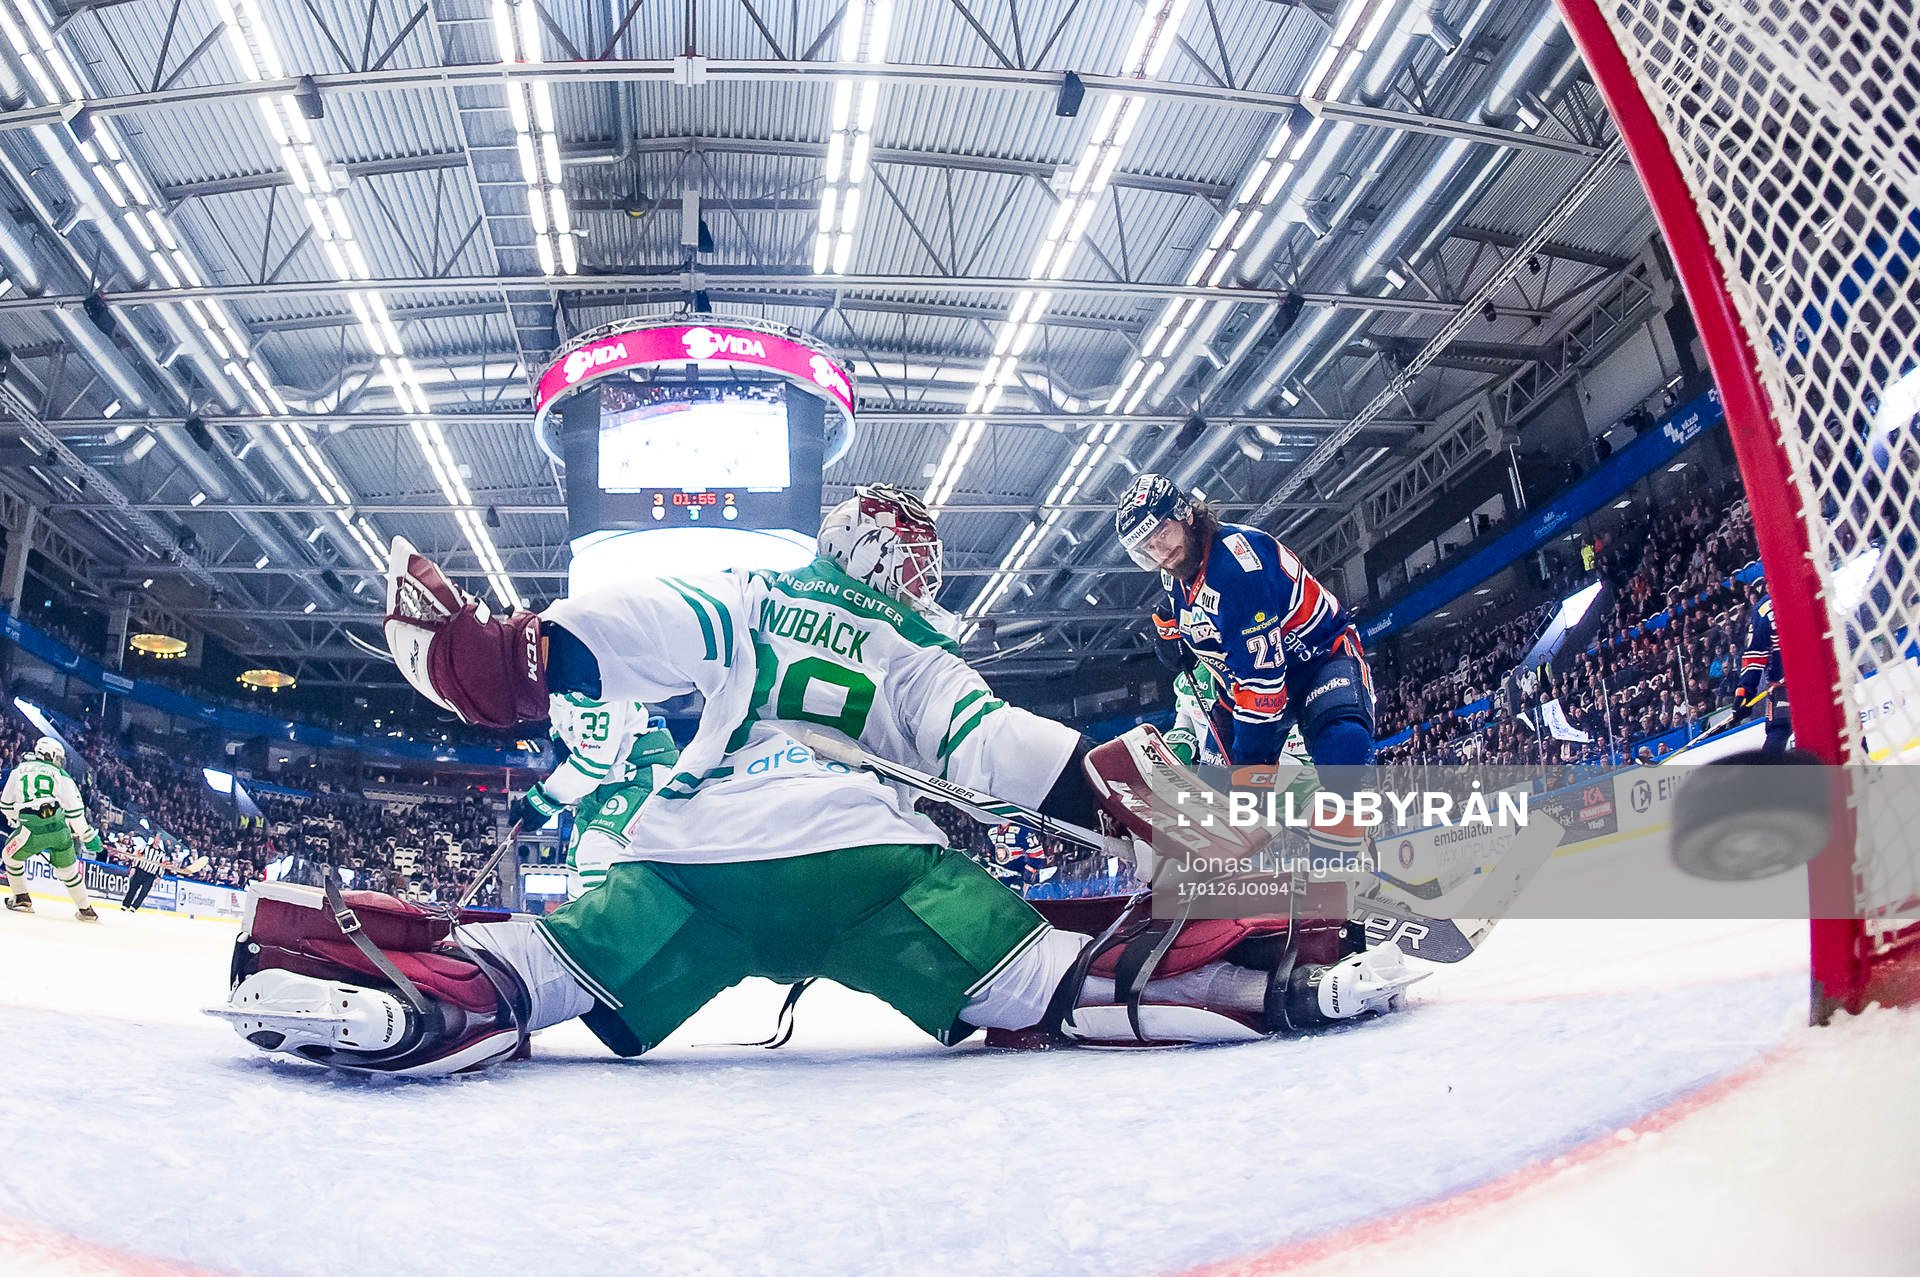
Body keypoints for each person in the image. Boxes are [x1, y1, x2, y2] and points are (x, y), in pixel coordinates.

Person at [215, 484, 1417, 1075]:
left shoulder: (744, 592)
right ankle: (1264, 973)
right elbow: (995, 748)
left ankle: (413, 992)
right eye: (921, 567)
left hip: (690, 862)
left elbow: (618, 633)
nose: (926, 585)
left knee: (546, 966)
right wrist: (1149, 808)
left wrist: (494, 657)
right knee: (1052, 981)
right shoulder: (912, 647)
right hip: (871, 864)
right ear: (896, 565)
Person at [1113, 473, 1376, 770]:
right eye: (1149, 546)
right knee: (1217, 785)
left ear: (1184, 513)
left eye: (1163, 533)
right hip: (1242, 682)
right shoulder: (1174, 572)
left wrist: (1250, 767)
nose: (1161, 552)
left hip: (1319, 658)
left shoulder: (1237, 571)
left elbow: (1263, 685)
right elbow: (1193, 615)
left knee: (1345, 749)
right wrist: (1172, 634)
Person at [509, 695, 680, 896]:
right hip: (601, 784)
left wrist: (540, 802)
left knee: (598, 851)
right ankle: (584, 916)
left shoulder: (588, 687)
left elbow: (592, 764)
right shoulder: (554, 693)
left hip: (641, 774)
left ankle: (613, 917)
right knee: (576, 872)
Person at [1, 737, 103, 921]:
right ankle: (86, 909)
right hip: (59, 830)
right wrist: (88, 837)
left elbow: (5, 804)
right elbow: (75, 812)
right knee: (69, 872)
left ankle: (22, 899)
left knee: (10, 857)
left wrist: (16, 819)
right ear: (50, 755)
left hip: (30, 829)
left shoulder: (18, 770)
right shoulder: (61, 775)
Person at [1726, 590, 1790, 756]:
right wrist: (1744, 692)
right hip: (1812, 680)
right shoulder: (1766, 607)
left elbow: (1755, 653)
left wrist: (1745, 691)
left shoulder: (1765, 607)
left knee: (1779, 731)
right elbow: (1755, 654)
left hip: (1786, 686)